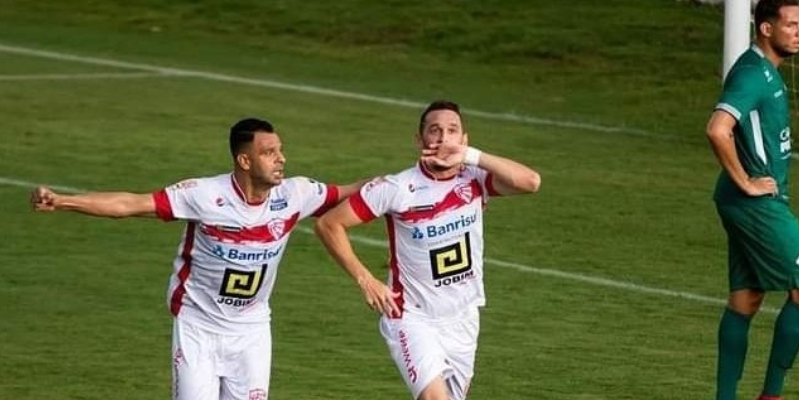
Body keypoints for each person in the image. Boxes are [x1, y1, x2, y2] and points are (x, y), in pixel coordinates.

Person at [30, 117, 367, 400]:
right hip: (198, 327)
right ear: (244, 161)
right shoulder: (204, 195)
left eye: (280, 150)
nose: (281, 159)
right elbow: (131, 204)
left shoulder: (296, 193)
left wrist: (399, 181)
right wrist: (63, 201)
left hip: (252, 330)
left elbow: (356, 193)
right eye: (269, 152)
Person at [314, 100, 541, 400]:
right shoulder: (397, 188)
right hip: (412, 316)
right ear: (419, 140)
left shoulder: (475, 179)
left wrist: (471, 156)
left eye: (452, 130)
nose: (444, 138)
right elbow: (329, 224)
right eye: (435, 130)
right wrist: (365, 278)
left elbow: (531, 182)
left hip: (463, 317)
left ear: (464, 139)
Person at [705, 1, 799, 400]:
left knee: (746, 298)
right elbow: (717, 129)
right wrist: (748, 182)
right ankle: (771, 396)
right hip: (755, 204)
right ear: (766, 29)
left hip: (743, 201)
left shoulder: (766, 71)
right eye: (791, 25)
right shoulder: (753, 74)